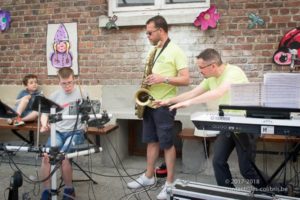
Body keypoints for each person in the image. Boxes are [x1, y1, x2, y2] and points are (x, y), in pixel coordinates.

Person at [155, 48, 266, 189]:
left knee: (247, 170)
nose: (200, 71)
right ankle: (227, 194)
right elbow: (193, 93)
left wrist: (188, 103)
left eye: (201, 68)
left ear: (212, 66)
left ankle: (276, 192)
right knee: (218, 162)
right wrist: (169, 101)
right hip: (227, 125)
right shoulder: (210, 78)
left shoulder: (233, 72)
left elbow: (218, 92)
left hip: (245, 126)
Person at [127, 15, 190, 200]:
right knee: (151, 141)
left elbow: (186, 79)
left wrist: (164, 78)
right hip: (150, 102)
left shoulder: (176, 51)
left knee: (167, 144)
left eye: (150, 32)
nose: (147, 36)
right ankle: (148, 176)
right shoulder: (154, 51)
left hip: (165, 105)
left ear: (161, 31)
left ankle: (170, 183)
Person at [40, 67, 87, 200]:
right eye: (64, 83)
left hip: (75, 132)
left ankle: (69, 189)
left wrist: (86, 124)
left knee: (64, 156)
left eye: (70, 82)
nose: (67, 86)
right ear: (59, 82)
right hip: (58, 132)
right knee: (46, 157)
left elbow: (90, 112)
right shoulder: (54, 96)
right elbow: (44, 113)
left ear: (74, 79)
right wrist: (44, 124)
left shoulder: (82, 93)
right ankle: (47, 190)